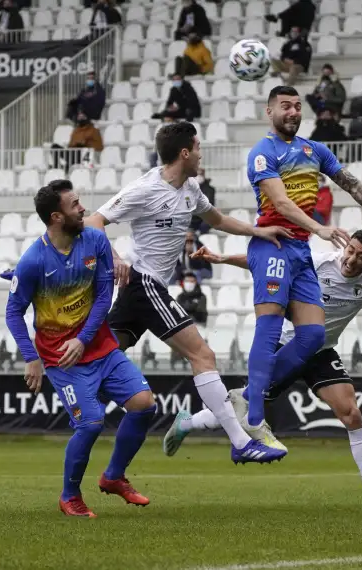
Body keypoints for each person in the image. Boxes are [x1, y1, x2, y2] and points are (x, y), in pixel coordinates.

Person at [166, 230, 362, 511]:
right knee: (243, 407)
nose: (352, 259)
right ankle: (188, 423)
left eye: (361, 256)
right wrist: (222, 258)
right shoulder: (318, 262)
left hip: (321, 351)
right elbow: (267, 263)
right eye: (351, 250)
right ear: (345, 247)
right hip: (288, 345)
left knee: (351, 413)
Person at [84, 121, 290, 464]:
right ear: (184, 152)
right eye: (197, 147)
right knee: (203, 356)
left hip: (145, 290)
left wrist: (260, 231)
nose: (200, 153)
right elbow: (94, 221)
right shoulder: (146, 188)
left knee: (101, 356)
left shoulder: (191, 189)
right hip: (143, 283)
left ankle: (86, 401)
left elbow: (219, 219)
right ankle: (240, 442)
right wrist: (115, 257)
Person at [241, 85, 362, 440]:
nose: (292, 112)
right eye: (285, 106)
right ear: (269, 112)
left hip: (299, 249)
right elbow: (283, 203)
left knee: (315, 334)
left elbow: (349, 183)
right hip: (272, 241)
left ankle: (243, 399)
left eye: (297, 106)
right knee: (271, 325)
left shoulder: (314, 150)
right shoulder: (262, 152)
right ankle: (254, 414)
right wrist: (319, 227)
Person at [6, 180, 156, 518]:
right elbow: (13, 312)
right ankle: (69, 496)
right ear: (57, 217)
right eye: (75, 205)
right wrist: (31, 358)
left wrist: (84, 338)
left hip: (99, 346)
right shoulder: (33, 260)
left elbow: (105, 296)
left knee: (144, 405)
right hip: (62, 359)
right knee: (90, 423)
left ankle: (114, 476)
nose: (83, 208)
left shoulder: (96, 240)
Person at [189, 168, 215, 233]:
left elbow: (210, 203)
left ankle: (199, 236)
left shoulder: (210, 189)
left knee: (206, 224)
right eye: (197, 175)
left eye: (201, 175)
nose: (199, 177)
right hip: (192, 216)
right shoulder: (189, 188)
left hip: (204, 217)